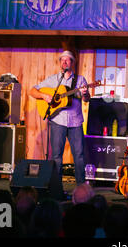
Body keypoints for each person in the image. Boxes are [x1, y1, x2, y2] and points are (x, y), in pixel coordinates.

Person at [30, 50, 91, 185]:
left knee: (79, 156)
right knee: (56, 156)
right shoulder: (53, 80)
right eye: (62, 60)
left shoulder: (80, 80)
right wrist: (44, 96)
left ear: (72, 63)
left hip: (75, 122)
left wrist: (85, 93)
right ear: (59, 63)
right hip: (58, 121)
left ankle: (81, 187)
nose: (64, 62)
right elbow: (33, 91)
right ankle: (56, 188)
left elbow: (86, 99)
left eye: (67, 59)